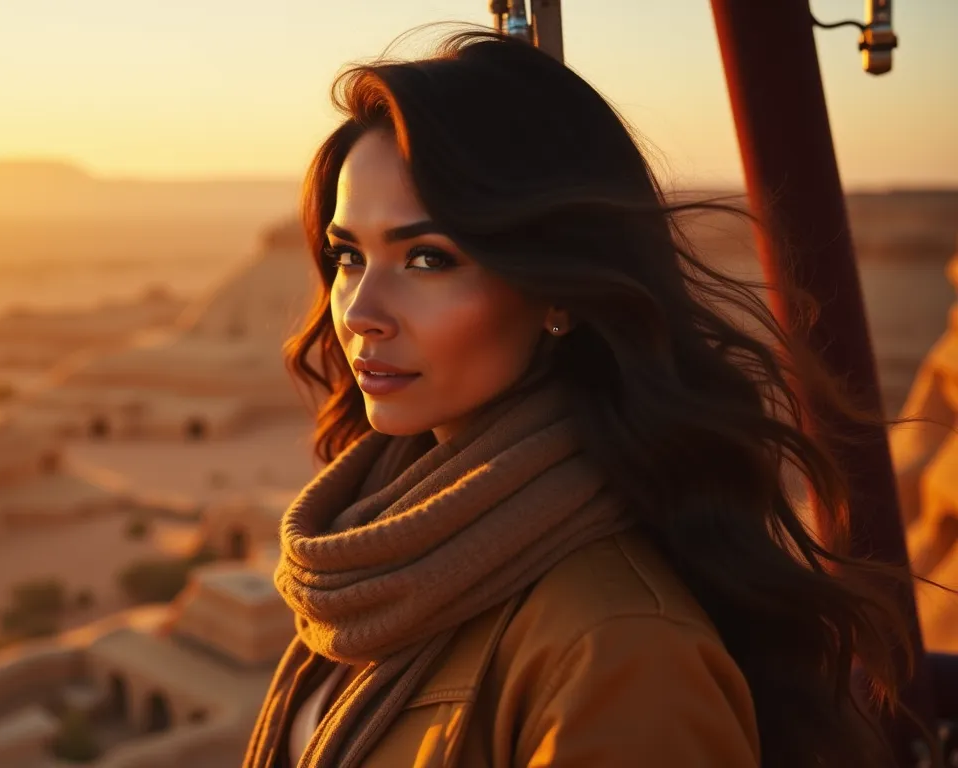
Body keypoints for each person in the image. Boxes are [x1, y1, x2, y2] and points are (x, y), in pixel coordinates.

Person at [241, 27, 916, 768]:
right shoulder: (380, 561)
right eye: (349, 256)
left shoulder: (623, 651)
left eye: (427, 258)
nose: (360, 310)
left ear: (556, 287)